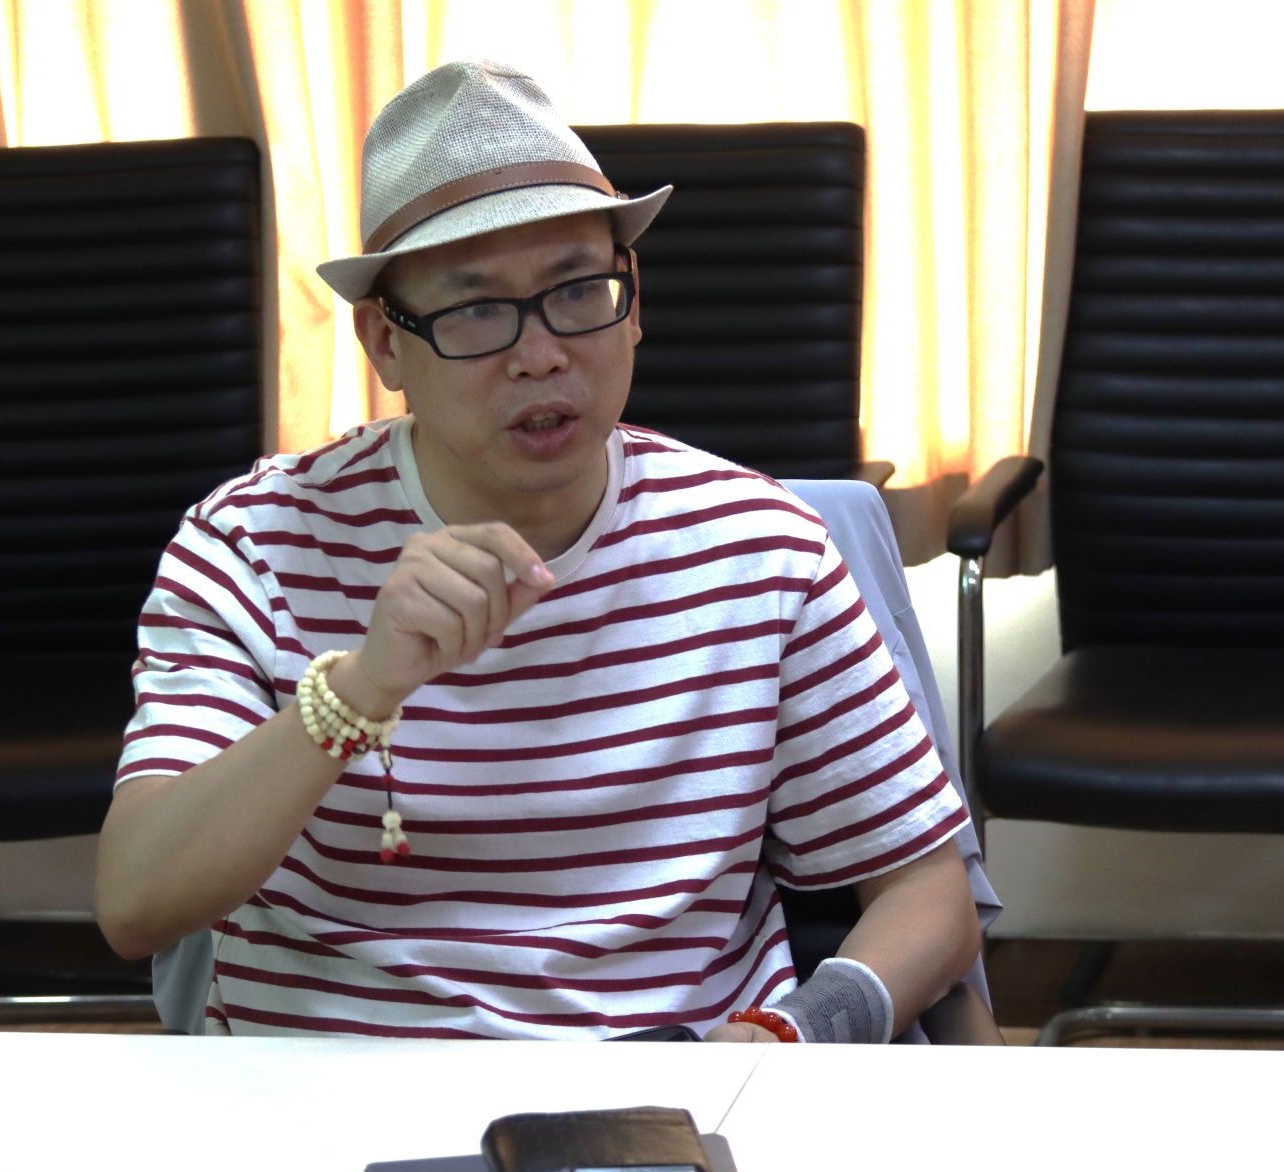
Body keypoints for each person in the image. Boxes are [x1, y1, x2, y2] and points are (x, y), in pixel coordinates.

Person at [95, 58, 980, 1042]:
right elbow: (136, 903)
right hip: (325, 1078)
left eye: (577, 291)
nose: (541, 354)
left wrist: (794, 1030)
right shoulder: (252, 542)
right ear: (383, 344)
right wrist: (358, 690)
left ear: (632, 302)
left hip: (667, 1086)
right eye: (475, 309)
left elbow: (926, 893)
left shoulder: (761, 550)